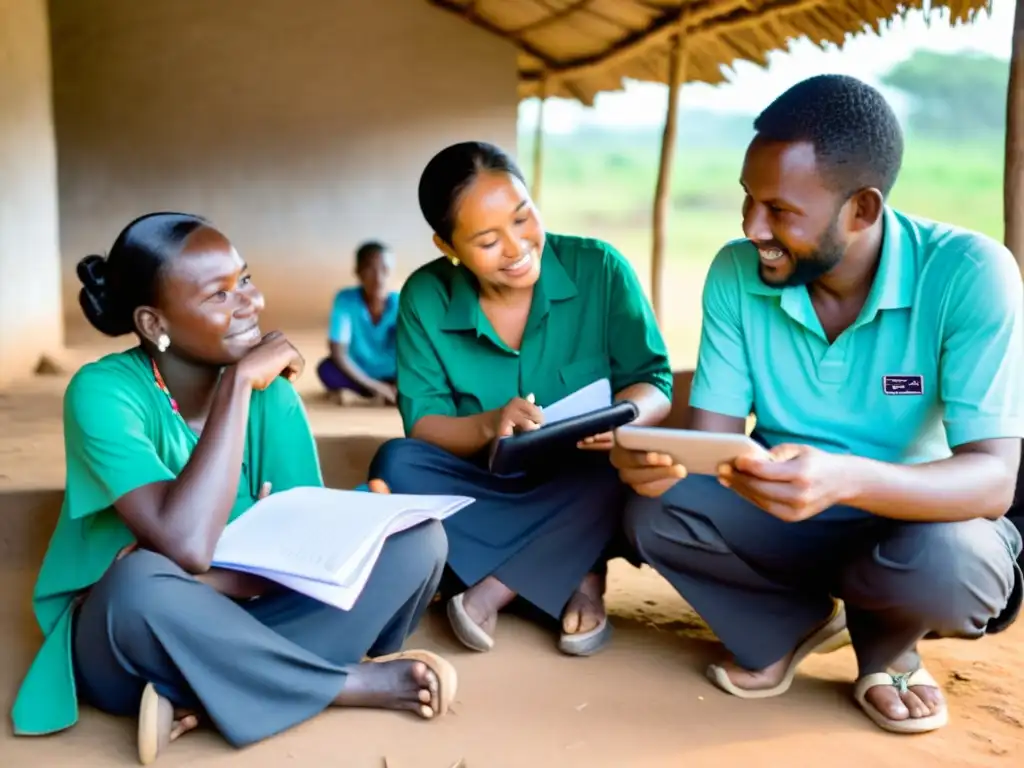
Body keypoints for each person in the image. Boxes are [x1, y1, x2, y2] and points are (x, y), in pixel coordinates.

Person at [613, 74, 1024, 735]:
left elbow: (994, 480)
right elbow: (716, 441)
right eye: (747, 201)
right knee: (650, 510)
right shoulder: (735, 273)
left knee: (955, 568)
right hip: (779, 508)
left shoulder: (971, 274)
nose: (752, 228)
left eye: (779, 210)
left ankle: (887, 650)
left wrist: (845, 478)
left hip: (912, 524)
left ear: (861, 209)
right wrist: (664, 465)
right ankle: (789, 622)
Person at [10, 213, 457, 764]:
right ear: (153, 323)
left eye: (244, 280)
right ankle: (343, 684)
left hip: (237, 621)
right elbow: (187, 545)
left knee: (421, 539)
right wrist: (240, 385)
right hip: (132, 632)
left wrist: (228, 575)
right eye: (218, 294)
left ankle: (197, 695)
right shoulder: (102, 393)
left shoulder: (276, 397)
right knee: (138, 580)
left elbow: (306, 559)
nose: (251, 302)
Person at [369, 141, 673, 657]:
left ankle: (497, 587)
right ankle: (578, 571)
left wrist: (624, 419)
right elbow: (423, 425)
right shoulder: (424, 295)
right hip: (484, 481)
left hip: (584, 477)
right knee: (396, 463)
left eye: (523, 217)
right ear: (448, 247)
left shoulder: (600, 269)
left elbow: (654, 383)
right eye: (487, 240)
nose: (516, 247)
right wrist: (489, 425)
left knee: (622, 465)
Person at [316, 241, 399, 404]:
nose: (378, 278)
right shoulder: (345, 300)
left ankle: (360, 397)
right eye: (370, 270)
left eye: (385, 270)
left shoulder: (402, 303)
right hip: (358, 371)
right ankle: (378, 394)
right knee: (327, 369)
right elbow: (338, 352)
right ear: (358, 272)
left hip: (393, 373)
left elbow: (415, 351)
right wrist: (376, 386)